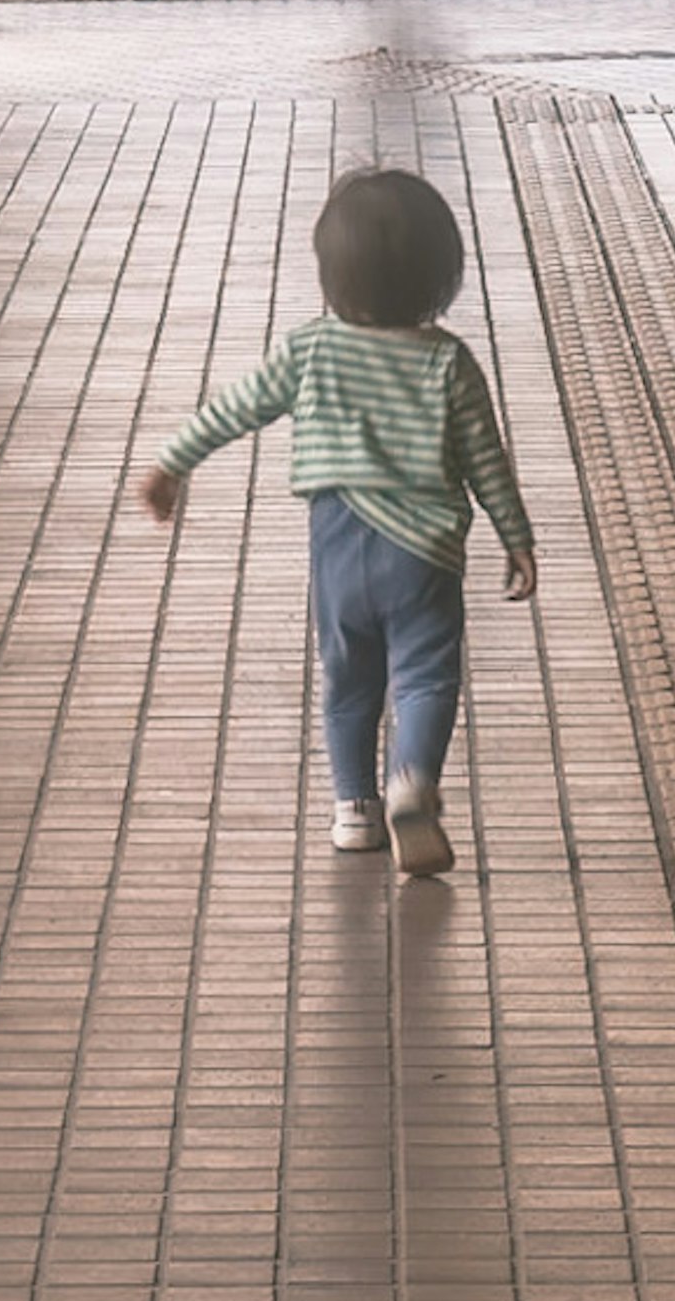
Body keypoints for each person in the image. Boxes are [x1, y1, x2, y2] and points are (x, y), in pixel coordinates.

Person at [130, 165, 537, 877]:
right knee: (425, 676)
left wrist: (171, 464)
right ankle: (410, 780)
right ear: (440, 275)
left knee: (348, 677)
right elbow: (486, 460)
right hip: (426, 554)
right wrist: (516, 537)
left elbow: (236, 407)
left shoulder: (310, 349)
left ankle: (354, 809)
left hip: (340, 543)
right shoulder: (448, 361)